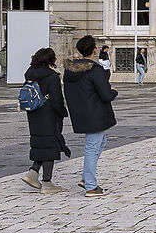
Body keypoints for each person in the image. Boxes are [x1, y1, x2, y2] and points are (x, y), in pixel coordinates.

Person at [62, 36, 118, 196]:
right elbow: (105, 94)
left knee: (101, 142)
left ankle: (86, 178)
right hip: (94, 112)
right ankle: (91, 186)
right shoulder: (95, 69)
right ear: (94, 50)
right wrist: (114, 91)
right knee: (92, 147)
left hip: (81, 111)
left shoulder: (70, 70)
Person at [20, 46, 70, 190]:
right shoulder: (51, 76)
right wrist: (63, 112)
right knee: (50, 145)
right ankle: (47, 183)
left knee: (40, 143)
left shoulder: (29, 74)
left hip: (34, 113)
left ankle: (33, 173)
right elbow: (57, 100)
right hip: (49, 114)